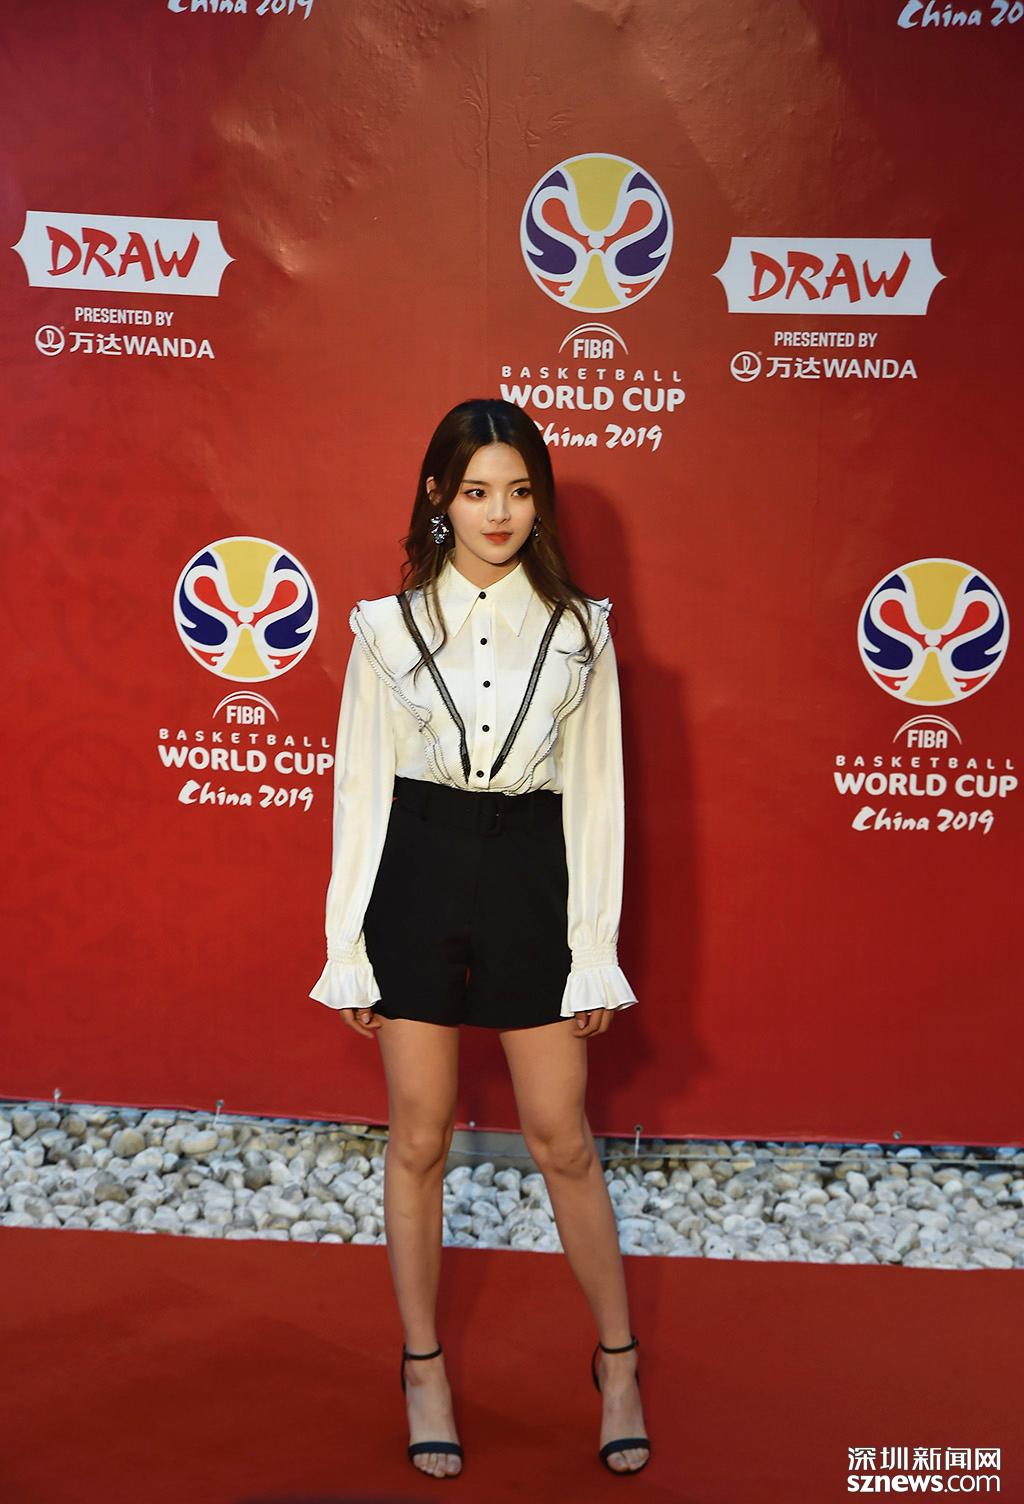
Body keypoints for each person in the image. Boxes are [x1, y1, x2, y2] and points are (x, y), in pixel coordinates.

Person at [310, 397, 651, 1479]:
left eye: (517, 491)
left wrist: (592, 947)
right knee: (418, 1138)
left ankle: (618, 1361)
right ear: (437, 499)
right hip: (415, 870)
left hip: (530, 875)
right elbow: (361, 790)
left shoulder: (581, 630)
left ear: (538, 502)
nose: (498, 513)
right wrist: (348, 944)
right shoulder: (387, 627)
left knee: (561, 1136)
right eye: (474, 491)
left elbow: (596, 796)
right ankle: (423, 1368)